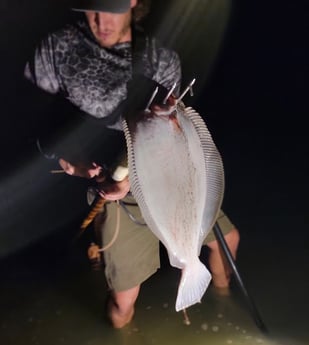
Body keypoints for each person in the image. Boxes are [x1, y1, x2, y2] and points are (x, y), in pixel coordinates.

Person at [24, 0, 240, 329]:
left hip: (169, 178)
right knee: (124, 303)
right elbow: (30, 123)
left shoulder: (161, 59)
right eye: (91, 7)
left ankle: (225, 314)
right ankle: (121, 330)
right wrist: (70, 159)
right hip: (112, 186)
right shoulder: (56, 50)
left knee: (228, 241)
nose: (101, 21)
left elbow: (177, 131)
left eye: (111, 6)